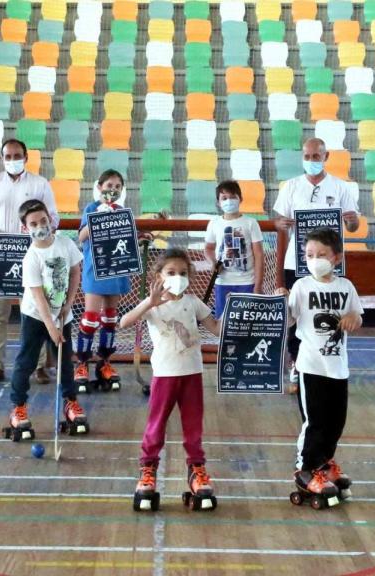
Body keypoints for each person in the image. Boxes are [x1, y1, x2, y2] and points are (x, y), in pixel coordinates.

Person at [121, 248, 221, 510]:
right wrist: (149, 303)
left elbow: (217, 328)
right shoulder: (153, 306)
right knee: (156, 425)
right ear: (159, 276)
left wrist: (244, 314)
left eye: (183, 273)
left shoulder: (193, 303)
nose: (178, 277)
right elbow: (124, 322)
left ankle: (197, 469)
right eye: (171, 273)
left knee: (193, 426)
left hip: (192, 374)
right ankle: (148, 470)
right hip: (165, 375)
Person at [0, 139, 59, 384]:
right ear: (2, 158)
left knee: (37, 312)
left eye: (17, 155)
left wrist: (41, 229)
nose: (12, 160)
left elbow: (53, 216)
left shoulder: (40, 184)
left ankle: (39, 366)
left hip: (31, 254)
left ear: (26, 157)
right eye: (7, 156)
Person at [273, 138, 361, 394]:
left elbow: (352, 227)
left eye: (316, 156)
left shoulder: (340, 187)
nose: (311, 160)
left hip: (328, 266)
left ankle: (330, 362)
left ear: (326, 156)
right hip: (296, 262)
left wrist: (353, 221)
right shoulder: (290, 187)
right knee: (295, 315)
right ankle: (296, 365)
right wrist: (280, 225)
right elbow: (279, 222)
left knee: (328, 314)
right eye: (307, 156)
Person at [286, 228, 363, 503]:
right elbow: (290, 319)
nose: (314, 259)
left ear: (337, 258)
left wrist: (354, 318)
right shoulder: (302, 287)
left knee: (335, 421)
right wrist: (281, 302)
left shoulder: (346, 287)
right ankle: (306, 468)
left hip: (338, 366)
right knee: (315, 421)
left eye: (321, 255)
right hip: (311, 365)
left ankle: (325, 463)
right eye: (309, 255)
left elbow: (357, 315)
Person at [5, 200, 87, 438]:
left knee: (65, 362)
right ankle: (18, 407)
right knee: (26, 362)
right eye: (33, 223)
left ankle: (70, 403)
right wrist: (50, 327)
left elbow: (75, 272)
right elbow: (38, 296)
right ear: (25, 228)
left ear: (50, 220)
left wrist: (69, 304)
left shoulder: (65, 243)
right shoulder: (31, 257)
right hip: (36, 316)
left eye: (43, 221)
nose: (40, 226)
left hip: (62, 315)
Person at [74, 169, 132, 392]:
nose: (113, 190)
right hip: (95, 269)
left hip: (116, 269)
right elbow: (80, 237)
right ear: (99, 187)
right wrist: (98, 217)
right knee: (90, 318)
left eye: (118, 187)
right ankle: (81, 363)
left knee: (110, 319)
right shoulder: (91, 208)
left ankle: (105, 362)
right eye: (109, 185)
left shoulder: (122, 211)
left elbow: (126, 241)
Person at [204, 179, 265, 318]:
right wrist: (212, 262)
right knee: (223, 322)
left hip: (247, 282)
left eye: (233, 197)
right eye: (224, 198)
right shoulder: (214, 223)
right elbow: (208, 249)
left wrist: (258, 285)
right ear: (218, 202)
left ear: (240, 198)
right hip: (223, 282)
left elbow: (259, 256)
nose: (229, 201)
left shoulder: (251, 223)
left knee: (247, 323)